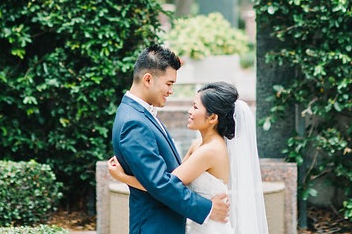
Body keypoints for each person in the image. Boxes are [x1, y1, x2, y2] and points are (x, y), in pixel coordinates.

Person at [110, 80, 269, 234]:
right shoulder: (198, 145)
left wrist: (123, 177)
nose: (189, 111)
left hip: (211, 228)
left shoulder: (210, 151)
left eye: (195, 107)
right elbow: (169, 182)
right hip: (199, 224)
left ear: (212, 118)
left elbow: (163, 186)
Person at [111, 45, 230, 234]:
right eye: (169, 83)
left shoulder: (139, 115)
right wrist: (207, 208)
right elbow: (160, 183)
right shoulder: (133, 123)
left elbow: (168, 177)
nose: (171, 91)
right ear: (148, 79)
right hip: (156, 226)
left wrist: (123, 177)